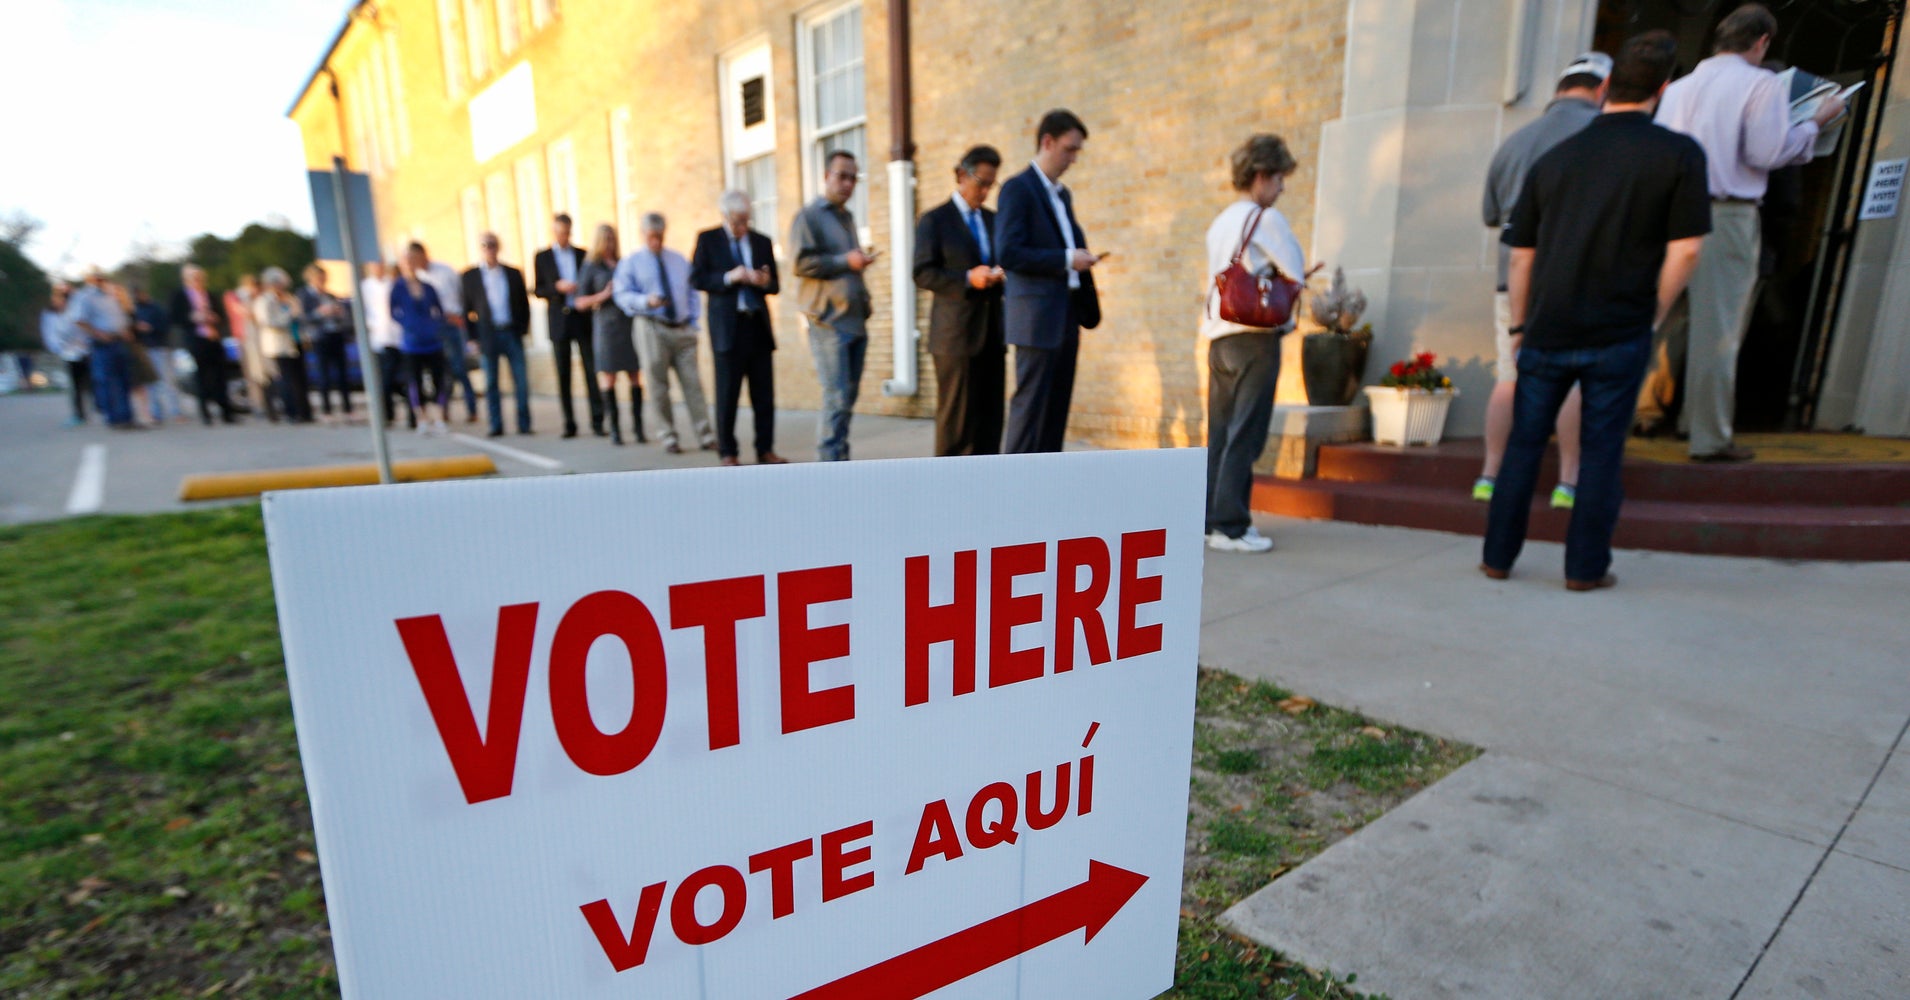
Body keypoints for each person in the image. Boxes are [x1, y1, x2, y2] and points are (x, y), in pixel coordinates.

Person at [1483, 30, 1710, 591]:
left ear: (1608, 85)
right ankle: (1584, 569)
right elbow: (1687, 249)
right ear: (1663, 87)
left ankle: (1497, 557)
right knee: (1602, 452)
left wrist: (1518, 323)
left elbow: (1521, 257)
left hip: (1547, 327)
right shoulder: (1678, 155)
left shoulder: (1556, 159)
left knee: (1524, 446)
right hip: (1621, 327)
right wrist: (1655, 311)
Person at [1655, 3, 1844, 462]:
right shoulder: (1760, 83)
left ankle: (1622, 420)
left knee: (1655, 322)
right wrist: (1815, 123)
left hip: (1669, 213)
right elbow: (1766, 151)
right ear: (1761, 43)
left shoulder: (1677, 89)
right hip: (1726, 215)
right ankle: (1708, 436)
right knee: (1718, 332)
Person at [1476, 54, 1609, 508]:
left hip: (1511, 280)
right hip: (1573, 279)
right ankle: (1568, 483)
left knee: (1509, 378)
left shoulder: (1514, 143)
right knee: (1574, 381)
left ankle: (1489, 475)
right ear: (1603, 87)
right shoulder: (1598, 140)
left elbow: (1491, 215)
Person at [1201, 135, 1308, 555]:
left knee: (1221, 432)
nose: (1281, 188)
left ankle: (1209, 520)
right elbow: (1294, 270)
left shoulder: (1221, 220)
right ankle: (1232, 525)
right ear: (1261, 176)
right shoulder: (1267, 220)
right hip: (1255, 338)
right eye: (1279, 178)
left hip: (1219, 336)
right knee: (1247, 432)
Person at [996, 109, 1104, 454]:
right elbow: (1009, 252)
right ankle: (1014, 493)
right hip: (1035, 318)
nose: (1073, 159)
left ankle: (1047, 493)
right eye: (1069, 149)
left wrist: (1079, 258)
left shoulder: (1063, 195)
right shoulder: (1017, 189)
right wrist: (1066, 259)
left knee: (1056, 412)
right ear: (1047, 141)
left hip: (1067, 313)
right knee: (1029, 412)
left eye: (1077, 151)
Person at [914, 145, 1007, 457]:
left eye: (991, 184)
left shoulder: (995, 220)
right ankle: (948, 495)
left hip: (993, 333)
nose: (985, 191)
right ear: (960, 175)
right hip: (954, 337)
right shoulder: (934, 220)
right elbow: (923, 273)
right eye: (981, 182)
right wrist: (969, 279)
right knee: (957, 424)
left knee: (990, 422)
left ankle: (988, 490)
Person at [790, 150, 874, 461]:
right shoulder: (809, 216)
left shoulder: (847, 217)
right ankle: (828, 468)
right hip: (828, 321)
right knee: (836, 398)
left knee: (847, 399)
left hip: (854, 319)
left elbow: (844, 266)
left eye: (853, 177)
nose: (848, 183)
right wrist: (846, 260)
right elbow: (801, 263)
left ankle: (840, 463)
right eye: (842, 175)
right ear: (826, 176)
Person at [692, 190, 786, 466]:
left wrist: (762, 281)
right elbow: (696, 278)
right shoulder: (707, 240)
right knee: (727, 394)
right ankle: (728, 452)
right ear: (724, 216)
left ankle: (765, 449)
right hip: (727, 329)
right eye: (736, 221)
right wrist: (729, 277)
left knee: (764, 394)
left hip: (756, 325)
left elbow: (775, 284)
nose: (742, 227)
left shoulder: (761, 241)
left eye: (746, 220)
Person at [614, 212, 716, 455]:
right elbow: (621, 295)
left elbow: (692, 292)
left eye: (659, 236)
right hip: (652, 327)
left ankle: (705, 435)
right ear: (643, 235)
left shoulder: (678, 260)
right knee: (658, 386)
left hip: (682, 329)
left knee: (693, 383)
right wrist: (644, 301)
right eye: (651, 236)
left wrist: (693, 321)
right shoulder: (632, 263)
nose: (656, 241)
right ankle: (669, 436)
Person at [535, 214, 604, 438]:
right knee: (563, 373)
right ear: (553, 232)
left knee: (591, 370)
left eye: (566, 232)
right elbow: (538, 289)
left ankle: (598, 421)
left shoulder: (582, 255)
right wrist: (557, 287)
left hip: (581, 317)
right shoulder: (543, 257)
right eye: (558, 232)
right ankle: (569, 423)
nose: (562, 236)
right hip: (559, 319)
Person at [575, 224, 644, 445]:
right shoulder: (590, 267)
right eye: (606, 240)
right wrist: (603, 295)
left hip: (627, 323)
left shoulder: (623, 263)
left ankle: (638, 427)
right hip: (606, 325)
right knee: (609, 376)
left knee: (635, 374)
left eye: (613, 239)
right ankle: (615, 428)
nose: (610, 244)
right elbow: (580, 302)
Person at [461, 233, 533, 437]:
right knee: (491, 382)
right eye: (485, 245)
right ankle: (496, 424)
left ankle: (524, 423)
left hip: (510, 331)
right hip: (487, 334)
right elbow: (466, 310)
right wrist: (472, 338)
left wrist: (522, 329)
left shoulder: (512, 273)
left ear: (498, 247)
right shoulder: (470, 276)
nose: (489, 249)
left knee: (520, 380)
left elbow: (523, 305)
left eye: (492, 245)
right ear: (480, 249)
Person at [409, 241, 477, 425]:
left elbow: (462, 296)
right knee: (443, 371)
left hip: (454, 324)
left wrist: (461, 318)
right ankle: (443, 410)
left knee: (459, 368)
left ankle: (472, 409)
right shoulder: (416, 278)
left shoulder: (445, 271)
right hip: (435, 328)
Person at [64, 267, 136, 429]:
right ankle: (114, 419)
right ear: (89, 279)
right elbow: (79, 319)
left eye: (101, 277)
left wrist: (126, 329)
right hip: (103, 344)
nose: (100, 280)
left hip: (120, 341)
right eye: (96, 278)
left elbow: (120, 315)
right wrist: (98, 333)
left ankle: (127, 417)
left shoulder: (111, 295)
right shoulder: (85, 297)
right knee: (108, 382)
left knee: (124, 381)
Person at [170, 265, 238, 425]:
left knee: (220, 376)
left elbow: (222, 315)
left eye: (199, 278)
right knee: (202, 376)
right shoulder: (180, 296)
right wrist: (192, 318)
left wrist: (215, 318)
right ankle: (205, 413)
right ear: (187, 280)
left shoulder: (210, 295)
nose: (197, 281)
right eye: (194, 278)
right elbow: (175, 318)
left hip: (213, 338)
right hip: (196, 339)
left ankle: (226, 412)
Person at [391, 257, 452, 434]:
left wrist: (434, 326)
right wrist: (407, 324)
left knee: (439, 379)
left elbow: (439, 310)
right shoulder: (398, 288)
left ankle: (440, 416)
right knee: (414, 381)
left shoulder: (428, 287)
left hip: (432, 341)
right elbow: (393, 312)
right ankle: (421, 417)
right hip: (411, 343)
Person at [298, 264, 354, 422]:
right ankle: (326, 410)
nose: (322, 281)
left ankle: (347, 408)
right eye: (319, 278)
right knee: (324, 374)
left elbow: (344, 316)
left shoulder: (330, 295)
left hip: (335, 334)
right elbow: (303, 318)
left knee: (343, 372)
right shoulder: (305, 295)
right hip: (319, 337)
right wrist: (320, 312)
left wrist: (339, 312)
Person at [254, 268, 311, 423]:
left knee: (301, 378)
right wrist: (289, 315)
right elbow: (268, 322)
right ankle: (291, 412)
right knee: (287, 379)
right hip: (280, 346)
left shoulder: (289, 298)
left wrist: (304, 336)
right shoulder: (265, 301)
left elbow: (300, 317)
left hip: (295, 341)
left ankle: (305, 412)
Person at [361, 261, 413, 429]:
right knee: (385, 380)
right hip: (380, 339)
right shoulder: (365, 286)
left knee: (406, 378)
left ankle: (412, 415)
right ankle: (387, 415)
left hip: (399, 337)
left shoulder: (393, 284)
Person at [227, 274, 275, 421]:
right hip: (246, 339)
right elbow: (245, 313)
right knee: (252, 374)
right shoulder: (234, 296)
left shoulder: (261, 298)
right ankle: (257, 405)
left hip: (264, 339)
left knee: (269, 373)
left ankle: (271, 404)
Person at [42, 282, 90, 426]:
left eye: (62, 299)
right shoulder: (49, 316)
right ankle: (79, 414)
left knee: (93, 383)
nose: (59, 303)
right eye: (56, 300)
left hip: (86, 352)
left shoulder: (75, 311)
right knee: (75, 387)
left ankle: (102, 408)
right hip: (69, 354)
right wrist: (60, 348)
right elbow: (50, 336)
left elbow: (84, 328)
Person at [132, 287, 182, 424]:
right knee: (151, 384)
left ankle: (176, 411)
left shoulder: (156, 308)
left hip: (160, 347)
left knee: (168, 381)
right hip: (145, 349)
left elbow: (166, 326)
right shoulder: (135, 311)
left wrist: (151, 328)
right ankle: (156, 413)